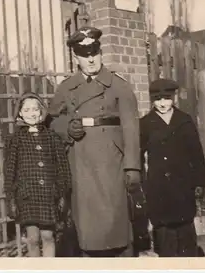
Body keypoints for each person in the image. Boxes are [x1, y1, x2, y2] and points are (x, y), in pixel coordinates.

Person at [48, 26, 142, 257]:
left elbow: (131, 128)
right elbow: (50, 121)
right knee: (87, 226)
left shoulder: (119, 85)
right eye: (84, 55)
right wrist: (67, 128)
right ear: (76, 58)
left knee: (116, 220)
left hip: (112, 159)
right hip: (81, 160)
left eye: (94, 53)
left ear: (100, 53)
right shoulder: (66, 87)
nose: (90, 60)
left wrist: (132, 167)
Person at [139, 78, 205, 257]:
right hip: (158, 188)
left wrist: (200, 182)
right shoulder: (146, 123)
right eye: (158, 99)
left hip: (182, 185)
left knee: (185, 229)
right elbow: (138, 154)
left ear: (174, 98)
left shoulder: (184, 121)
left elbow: (196, 153)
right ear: (152, 100)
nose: (162, 103)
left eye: (166, 98)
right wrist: (140, 183)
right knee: (164, 235)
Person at [3, 92, 72, 257]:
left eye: (35, 109)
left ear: (41, 111)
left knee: (48, 236)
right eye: (26, 110)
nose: (31, 113)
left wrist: (62, 193)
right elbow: (10, 170)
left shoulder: (52, 138)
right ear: (20, 113)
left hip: (48, 195)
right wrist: (11, 197)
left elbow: (63, 168)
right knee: (33, 238)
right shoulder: (16, 140)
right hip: (27, 195)